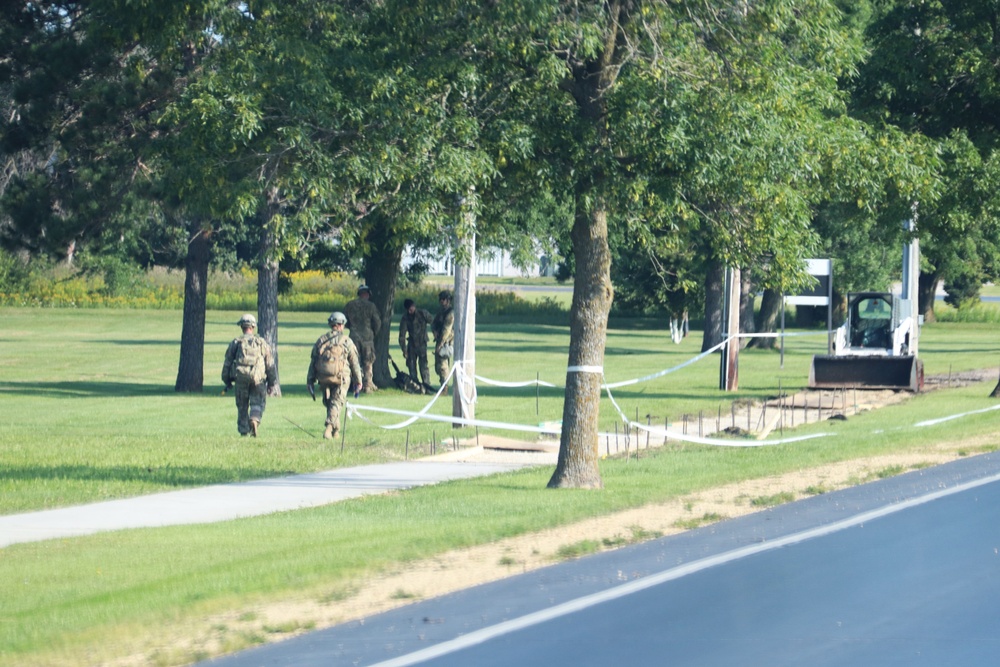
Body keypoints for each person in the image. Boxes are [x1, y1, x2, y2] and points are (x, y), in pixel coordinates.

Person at [307, 312, 363, 439]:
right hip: (341, 377)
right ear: (342, 325)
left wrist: (310, 380)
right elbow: (354, 362)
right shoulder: (347, 341)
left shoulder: (321, 340)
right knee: (336, 403)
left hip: (324, 377)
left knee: (330, 403)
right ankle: (329, 427)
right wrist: (358, 381)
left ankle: (336, 430)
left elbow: (313, 361)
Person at [221, 313, 276, 437]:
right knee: (257, 403)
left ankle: (244, 432)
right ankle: (255, 419)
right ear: (253, 327)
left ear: (242, 326)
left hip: (241, 379)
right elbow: (270, 365)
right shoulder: (262, 343)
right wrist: (272, 382)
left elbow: (227, 363)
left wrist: (227, 380)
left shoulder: (236, 343)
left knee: (242, 406)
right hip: (258, 380)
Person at [342, 284, 381, 393]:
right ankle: (367, 385)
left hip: (354, 337)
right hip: (368, 338)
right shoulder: (371, 306)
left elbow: (344, 321)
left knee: (354, 362)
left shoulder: (350, 305)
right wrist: (373, 332)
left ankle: (355, 385)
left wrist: (352, 327)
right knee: (368, 362)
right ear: (367, 294)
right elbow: (377, 322)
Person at [398, 298, 434, 388]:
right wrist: (404, 350)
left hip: (422, 343)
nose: (411, 311)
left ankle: (426, 385)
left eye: (412, 308)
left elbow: (433, 322)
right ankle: (415, 385)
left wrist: (435, 333)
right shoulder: (405, 318)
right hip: (411, 345)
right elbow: (402, 335)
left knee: (423, 366)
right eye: (409, 309)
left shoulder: (423, 314)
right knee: (411, 365)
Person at [432, 290, 455, 390]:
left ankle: (445, 387)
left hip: (446, 343)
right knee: (438, 366)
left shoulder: (450, 314)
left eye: (443, 299)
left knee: (443, 365)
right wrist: (434, 331)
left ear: (448, 300)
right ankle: (443, 385)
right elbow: (433, 323)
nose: (441, 301)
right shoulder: (441, 312)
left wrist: (440, 344)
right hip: (440, 340)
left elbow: (447, 330)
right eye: (440, 299)